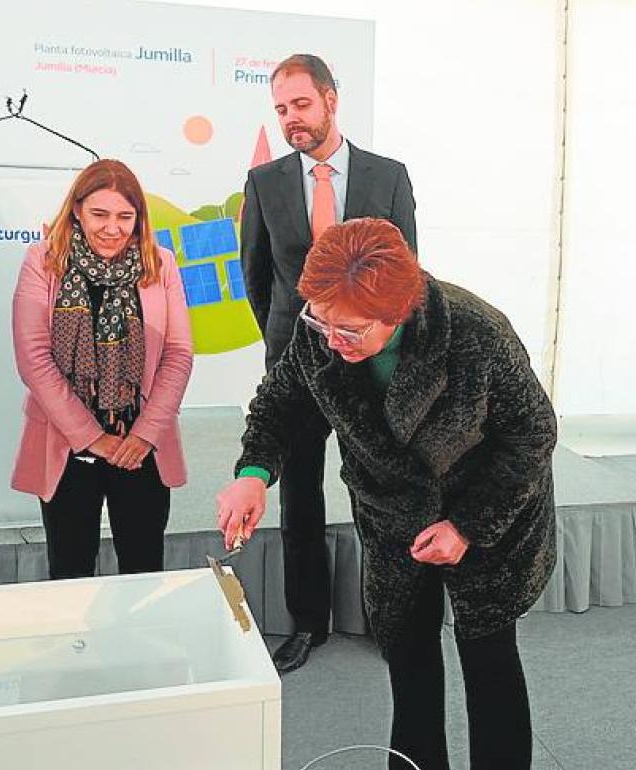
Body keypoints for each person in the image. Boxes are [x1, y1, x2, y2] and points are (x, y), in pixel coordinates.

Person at [216, 218, 555, 770]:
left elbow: (534, 432)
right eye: (321, 321)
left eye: (350, 331)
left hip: (491, 514)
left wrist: (467, 525)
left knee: (490, 663)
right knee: (409, 659)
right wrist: (254, 472)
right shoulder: (321, 327)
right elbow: (280, 404)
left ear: (397, 312)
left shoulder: (475, 331)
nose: (331, 339)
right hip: (392, 515)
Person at [240, 53, 418, 672]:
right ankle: (307, 623)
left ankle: (388, 613)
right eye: (281, 110)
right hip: (298, 366)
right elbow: (257, 280)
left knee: (382, 492)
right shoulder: (263, 183)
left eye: (301, 105)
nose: (292, 119)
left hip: (374, 365)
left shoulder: (387, 176)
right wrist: (290, 341)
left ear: (331, 99)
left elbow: (406, 276)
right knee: (300, 496)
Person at [11, 160, 192, 579]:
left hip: (140, 445)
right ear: (76, 209)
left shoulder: (159, 263)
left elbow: (179, 354)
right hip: (67, 443)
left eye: (125, 217)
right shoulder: (44, 260)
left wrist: (145, 433)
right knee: (70, 570)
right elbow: (34, 359)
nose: (113, 228)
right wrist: (93, 438)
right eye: (100, 214)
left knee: (144, 568)